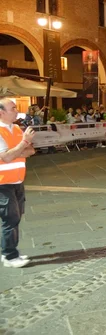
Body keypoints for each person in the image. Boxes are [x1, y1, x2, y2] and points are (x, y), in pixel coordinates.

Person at [0, 98, 36, 268]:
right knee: (11, 219)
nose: (16, 111)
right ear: (1, 112)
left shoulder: (15, 128)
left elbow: (31, 151)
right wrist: (24, 143)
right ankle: (9, 256)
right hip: (2, 183)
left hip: (17, 181)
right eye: (12, 108)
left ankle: (8, 251)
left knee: (15, 217)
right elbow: (6, 157)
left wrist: (20, 149)